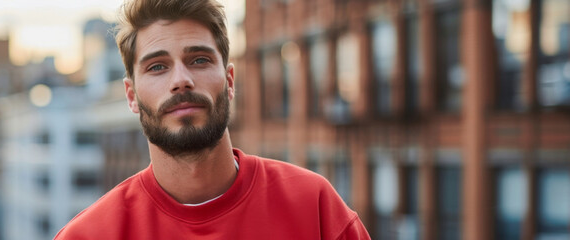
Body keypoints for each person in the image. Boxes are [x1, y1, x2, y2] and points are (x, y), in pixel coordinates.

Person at [55, 0, 370, 239]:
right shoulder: (89, 234)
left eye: (200, 60)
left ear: (230, 81)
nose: (181, 80)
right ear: (131, 95)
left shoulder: (315, 207)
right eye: (157, 67)